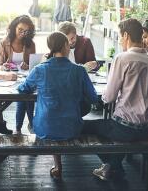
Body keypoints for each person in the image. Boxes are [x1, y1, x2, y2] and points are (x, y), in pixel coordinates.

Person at [82, 18, 148, 180]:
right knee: (108, 126)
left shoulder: (122, 58)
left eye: (120, 36)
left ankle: (114, 165)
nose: (120, 40)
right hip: (147, 128)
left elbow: (108, 97)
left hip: (125, 129)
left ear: (126, 35)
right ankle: (111, 166)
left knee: (83, 127)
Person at [18, 31, 99, 180]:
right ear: (65, 46)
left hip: (44, 128)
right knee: (62, 114)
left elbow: (22, 89)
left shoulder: (40, 69)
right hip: (72, 127)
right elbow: (93, 98)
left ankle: (58, 166)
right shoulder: (79, 71)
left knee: (47, 117)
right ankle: (60, 166)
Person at [0, 15, 36, 134]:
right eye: (20, 30)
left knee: (25, 96)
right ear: (14, 27)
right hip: (10, 80)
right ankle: (31, 126)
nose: (23, 33)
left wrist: (28, 65)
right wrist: (4, 67)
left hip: (26, 79)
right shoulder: (4, 43)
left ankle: (19, 128)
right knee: (24, 96)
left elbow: (34, 65)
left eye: (26, 31)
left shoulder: (30, 44)